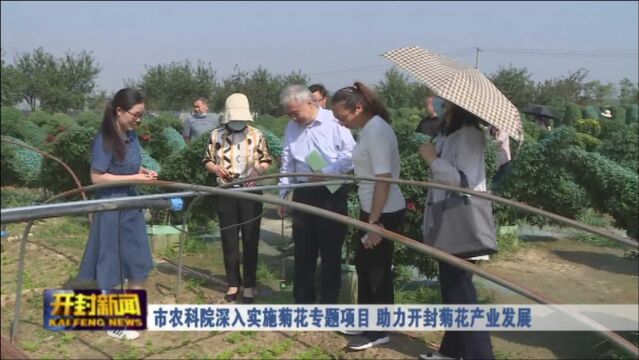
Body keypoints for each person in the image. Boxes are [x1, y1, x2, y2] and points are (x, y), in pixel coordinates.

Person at [77, 88, 157, 341]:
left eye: (142, 115)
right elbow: (97, 176)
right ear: (119, 111)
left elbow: (128, 166)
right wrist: (134, 177)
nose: (138, 119)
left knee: (138, 258)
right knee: (110, 261)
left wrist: (142, 171)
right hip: (110, 206)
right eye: (135, 114)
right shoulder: (104, 139)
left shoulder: (132, 138)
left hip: (131, 204)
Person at [332, 82, 406, 351]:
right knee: (367, 266)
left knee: (375, 269)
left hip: (383, 210)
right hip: (373, 207)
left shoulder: (376, 131)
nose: (340, 123)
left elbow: (383, 179)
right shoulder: (369, 129)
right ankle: (369, 322)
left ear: (359, 108)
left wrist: (374, 223)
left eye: (342, 117)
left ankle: (377, 331)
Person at [419, 102, 495, 360]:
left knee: (460, 292)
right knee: (453, 289)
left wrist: (432, 159)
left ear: (457, 105)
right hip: (447, 216)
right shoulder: (449, 134)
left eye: (444, 101)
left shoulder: (469, 136)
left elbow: (464, 182)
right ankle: (451, 351)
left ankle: (481, 355)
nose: (439, 104)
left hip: (461, 221)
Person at [277, 84, 355, 304]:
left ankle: (328, 303)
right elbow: (287, 163)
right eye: (289, 114)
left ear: (310, 103)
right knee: (303, 251)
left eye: (296, 112)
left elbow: (351, 154)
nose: (293, 118)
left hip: (331, 191)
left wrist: (326, 173)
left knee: (330, 252)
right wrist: (283, 195)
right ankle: (303, 302)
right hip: (304, 192)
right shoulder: (291, 128)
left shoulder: (334, 121)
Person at [203, 93, 273, 304]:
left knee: (251, 238)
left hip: (250, 191)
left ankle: (250, 285)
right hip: (226, 190)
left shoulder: (257, 135)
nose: (237, 121)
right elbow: (206, 160)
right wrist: (215, 168)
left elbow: (266, 159)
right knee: (229, 238)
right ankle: (233, 282)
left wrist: (257, 172)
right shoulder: (216, 135)